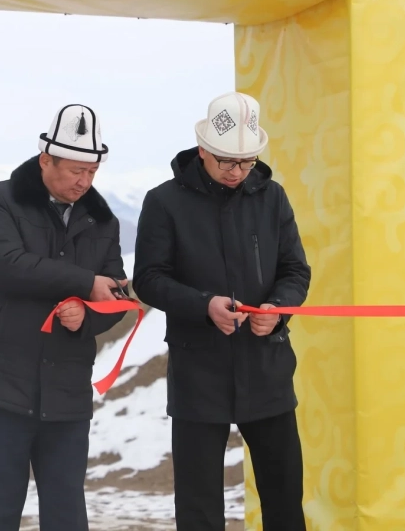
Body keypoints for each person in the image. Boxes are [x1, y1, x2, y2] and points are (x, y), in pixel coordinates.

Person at [132, 91, 312, 530]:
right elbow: (149, 279)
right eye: (227, 162)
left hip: (267, 367)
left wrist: (277, 309)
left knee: (284, 496)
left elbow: (295, 270)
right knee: (199, 506)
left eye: (247, 162)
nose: (237, 172)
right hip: (198, 370)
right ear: (202, 150)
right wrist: (203, 305)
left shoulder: (273, 198)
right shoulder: (164, 202)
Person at [0, 104, 129, 531]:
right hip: (0, 383)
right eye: (75, 171)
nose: (84, 182)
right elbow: (6, 266)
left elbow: (115, 295)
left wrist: (86, 316)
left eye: (92, 172)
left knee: (67, 514)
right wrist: (85, 283)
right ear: (45, 159)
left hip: (68, 386)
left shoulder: (103, 220)